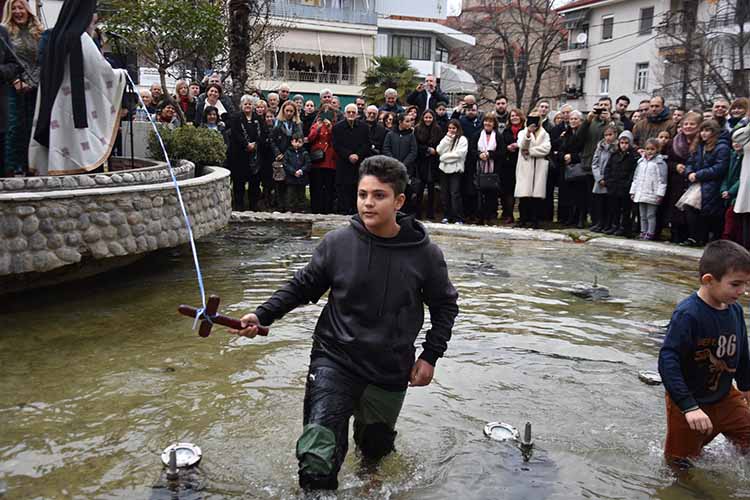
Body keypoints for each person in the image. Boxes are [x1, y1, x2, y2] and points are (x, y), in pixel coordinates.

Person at [229, 155, 459, 491]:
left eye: (378, 195)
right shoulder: (338, 243)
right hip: (334, 358)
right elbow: (302, 286)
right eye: (362, 194)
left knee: (375, 452)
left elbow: (445, 306)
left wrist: (430, 356)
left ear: (399, 201)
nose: (368, 203)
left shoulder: (425, 255)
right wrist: (262, 314)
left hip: (389, 368)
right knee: (317, 457)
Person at [658, 239, 750, 467]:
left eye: (746, 284)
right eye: (736, 284)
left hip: (725, 396)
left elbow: (742, 353)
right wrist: (689, 407)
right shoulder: (688, 314)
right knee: (680, 465)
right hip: (690, 401)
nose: (743, 291)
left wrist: (747, 388)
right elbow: (668, 361)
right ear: (708, 280)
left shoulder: (735, 310)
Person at [30, 0, 127, 176]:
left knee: (59, 147)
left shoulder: (55, 37)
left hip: (55, 104)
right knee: (79, 156)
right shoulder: (82, 39)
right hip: (76, 108)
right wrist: (121, 74)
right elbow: (101, 72)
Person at [2, 0, 41, 177]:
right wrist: (16, 80)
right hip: (13, 87)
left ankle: (31, 166)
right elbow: (7, 60)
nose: (18, 11)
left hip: (35, 87)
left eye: (21, 7)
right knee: (14, 127)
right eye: (14, 8)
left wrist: (34, 83)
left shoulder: (39, 32)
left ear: (28, 10)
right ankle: (13, 168)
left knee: (33, 126)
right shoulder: (5, 32)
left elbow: (41, 60)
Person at [684, 120, 730, 246]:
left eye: (707, 130)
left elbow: (720, 167)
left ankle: (703, 238)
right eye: (702, 130)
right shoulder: (699, 146)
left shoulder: (722, 147)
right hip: (697, 184)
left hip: (712, 185)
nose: (704, 133)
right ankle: (695, 237)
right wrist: (689, 172)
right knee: (690, 207)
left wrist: (698, 175)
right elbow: (690, 162)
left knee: (709, 214)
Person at [667, 111, 701, 244]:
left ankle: (692, 236)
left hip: (694, 179)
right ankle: (676, 235)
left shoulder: (701, 142)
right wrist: (675, 166)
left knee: (691, 210)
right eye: (686, 124)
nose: (688, 126)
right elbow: (667, 161)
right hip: (677, 180)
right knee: (675, 210)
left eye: (692, 124)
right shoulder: (674, 142)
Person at [514, 112, 551, 229]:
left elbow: (546, 149)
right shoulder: (522, 133)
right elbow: (522, 146)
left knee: (536, 196)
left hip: (538, 166)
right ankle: (523, 219)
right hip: (525, 166)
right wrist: (528, 134)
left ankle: (535, 220)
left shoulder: (544, 134)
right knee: (524, 195)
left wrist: (531, 151)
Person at [332, 103, 370, 214]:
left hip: (359, 163)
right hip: (343, 163)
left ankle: (356, 211)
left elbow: (366, 144)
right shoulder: (337, 127)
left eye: (353, 112)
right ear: (345, 114)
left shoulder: (364, 127)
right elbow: (336, 145)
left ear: (357, 114)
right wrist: (348, 155)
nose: (351, 114)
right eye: (349, 112)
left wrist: (358, 155)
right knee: (343, 189)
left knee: (357, 188)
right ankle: (343, 211)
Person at [228, 95, 262, 211]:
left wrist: (255, 144)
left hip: (254, 156)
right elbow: (235, 133)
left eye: (250, 104)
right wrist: (246, 144)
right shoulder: (236, 118)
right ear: (241, 105)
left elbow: (263, 133)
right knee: (239, 182)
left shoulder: (258, 118)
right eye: (245, 104)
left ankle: (254, 206)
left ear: (253, 106)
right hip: (239, 155)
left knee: (254, 183)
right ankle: (239, 206)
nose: (248, 106)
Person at [630, 138, 667, 240]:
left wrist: (660, 194)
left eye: (652, 149)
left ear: (657, 149)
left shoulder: (660, 163)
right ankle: (643, 231)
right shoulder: (641, 162)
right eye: (647, 149)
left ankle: (650, 232)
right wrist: (633, 191)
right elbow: (636, 178)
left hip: (652, 193)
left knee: (650, 214)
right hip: (641, 192)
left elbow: (662, 180)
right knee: (642, 215)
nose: (649, 151)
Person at [603, 130, 638, 236]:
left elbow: (633, 172)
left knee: (625, 209)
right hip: (613, 185)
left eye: (626, 143)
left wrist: (628, 184)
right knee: (614, 208)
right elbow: (608, 168)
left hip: (625, 187)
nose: (624, 145)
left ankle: (624, 227)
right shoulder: (614, 155)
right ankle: (614, 225)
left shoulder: (633, 156)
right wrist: (608, 181)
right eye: (622, 143)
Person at [383, 113, 417, 212]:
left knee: (405, 190)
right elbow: (386, 149)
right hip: (392, 168)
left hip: (406, 169)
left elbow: (413, 152)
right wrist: (394, 162)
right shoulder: (390, 134)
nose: (410, 123)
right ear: (400, 122)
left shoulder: (411, 136)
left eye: (410, 121)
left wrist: (404, 164)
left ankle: (405, 211)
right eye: (407, 121)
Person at [414, 109, 444, 220]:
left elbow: (440, 144)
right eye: (426, 117)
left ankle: (430, 213)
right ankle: (418, 213)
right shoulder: (418, 129)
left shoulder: (437, 129)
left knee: (432, 189)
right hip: (421, 161)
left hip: (433, 162)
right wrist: (426, 149)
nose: (428, 120)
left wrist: (434, 151)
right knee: (420, 188)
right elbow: (415, 144)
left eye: (430, 117)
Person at [437, 119, 468, 224]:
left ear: (458, 128)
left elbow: (459, 155)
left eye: (453, 128)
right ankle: (447, 216)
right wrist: (447, 139)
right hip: (444, 170)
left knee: (455, 194)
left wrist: (443, 158)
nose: (451, 130)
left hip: (455, 170)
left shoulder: (462, 139)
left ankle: (458, 217)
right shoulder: (446, 138)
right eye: (449, 128)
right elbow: (439, 150)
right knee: (444, 194)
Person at [307, 104, 337, 214]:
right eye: (324, 111)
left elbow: (336, 139)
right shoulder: (316, 124)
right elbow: (310, 138)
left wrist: (330, 128)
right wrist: (318, 128)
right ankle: (316, 208)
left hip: (329, 159)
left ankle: (328, 208)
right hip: (318, 159)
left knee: (329, 186)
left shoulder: (335, 125)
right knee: (317, 185)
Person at [589, 125, 619, 233]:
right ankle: (599, 223)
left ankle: (608, 224)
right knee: (599, 203)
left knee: (609, 204)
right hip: (600, 179)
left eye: (610, 135)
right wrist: (599, 178)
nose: (608, 137)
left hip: (610, 180)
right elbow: (595, 163)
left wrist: (608, 179)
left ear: (615, 135)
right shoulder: (600, 147)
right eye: (606, 135)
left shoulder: (617, 148)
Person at [501, 109, 525, 224]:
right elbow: (501, 145)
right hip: (508, 164)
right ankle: (509, 215)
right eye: (512, 116)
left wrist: (519, 146)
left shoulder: (525, 130)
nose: (514, 117)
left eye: (516, 115)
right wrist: (507, 148)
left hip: (523, 163)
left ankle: (523, 216)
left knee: (522, 191)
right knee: (509, 191)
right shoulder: (506, 131)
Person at [720, 141, 745, 243]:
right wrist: (724, 189)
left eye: (739, 141)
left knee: (731, 215)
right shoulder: (732, 155)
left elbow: (743, 177)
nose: (736, 143)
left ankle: (727, 239)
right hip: (730, 193)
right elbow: (726, 176)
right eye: (734, 141)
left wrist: (730, 191)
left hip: (740, 193)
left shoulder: (745, 157)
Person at [283, 134, 311, 212]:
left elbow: (308, 163)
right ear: (292, 142)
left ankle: (302, 210)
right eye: (296, 141)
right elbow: (285, 164)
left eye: (300, 142)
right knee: (290, 195)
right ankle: (290, 209)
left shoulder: (304, 152)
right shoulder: (288, 152)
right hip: (291, 178)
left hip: (301, 178)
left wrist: (301, 170)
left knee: (301, 195)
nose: (298, 144)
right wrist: (293, 171)